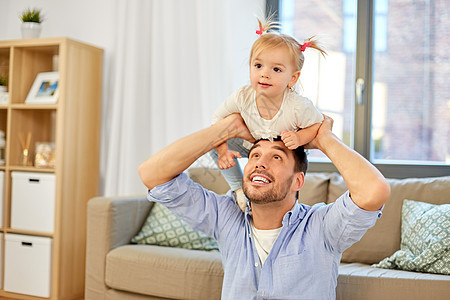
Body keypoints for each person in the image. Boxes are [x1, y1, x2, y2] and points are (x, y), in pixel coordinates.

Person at [139, 113, 390, 300]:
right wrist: (224, 130)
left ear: (297, 180)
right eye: (255, 155)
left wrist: (325, 139)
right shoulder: (226, 217)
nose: (260, 163)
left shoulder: (322, 227)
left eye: (277, 156)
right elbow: (152, 174)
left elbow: (373, 191)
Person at [210, 18, 326, 211]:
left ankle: (288, 206)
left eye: (276, 69)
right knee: (212, 143)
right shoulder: (243, 96)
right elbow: (217, 121)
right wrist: (223, 151)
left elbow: (317, 125)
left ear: (293, 78)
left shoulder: (297, 106)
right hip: (254, 145)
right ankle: (239, 189)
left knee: (284, 179)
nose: (265, 74)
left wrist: (299, 137)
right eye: (258, 66)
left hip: (282, 153)